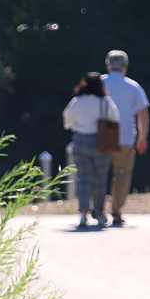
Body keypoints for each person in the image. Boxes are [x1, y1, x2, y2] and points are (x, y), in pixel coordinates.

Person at [62, 72, 121, 229]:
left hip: (80, 141)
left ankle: (83, 214)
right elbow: (115, 118)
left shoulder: (77, 101)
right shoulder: (105, 102)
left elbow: (67, 118)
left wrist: (74, 126)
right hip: (101, 141)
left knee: (83, 178)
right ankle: (100, 213)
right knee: (100, 179)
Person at [101, 50, 150, 227]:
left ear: (108, 65)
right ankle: (116, 211)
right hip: (126, 136)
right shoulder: (133, 87)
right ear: (125, 66)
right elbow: (142, 115)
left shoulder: (98, 83)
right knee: (121, 175)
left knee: (99, 174)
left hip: (103, 134)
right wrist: (143, 137)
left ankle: (98, 209)